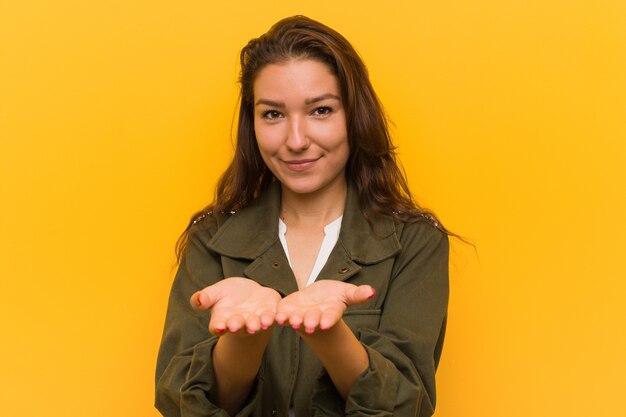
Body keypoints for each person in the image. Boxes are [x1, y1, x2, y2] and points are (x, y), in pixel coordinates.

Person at [156, 15, 450, 417]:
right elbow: (179, 403)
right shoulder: (211, 240)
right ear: (252, 124)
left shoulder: (416, 243)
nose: (296, 141)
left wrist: (329, 334)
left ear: (355, 115)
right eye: (273, 114)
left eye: (321, 110)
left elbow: (405, 405)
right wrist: (244, 338)